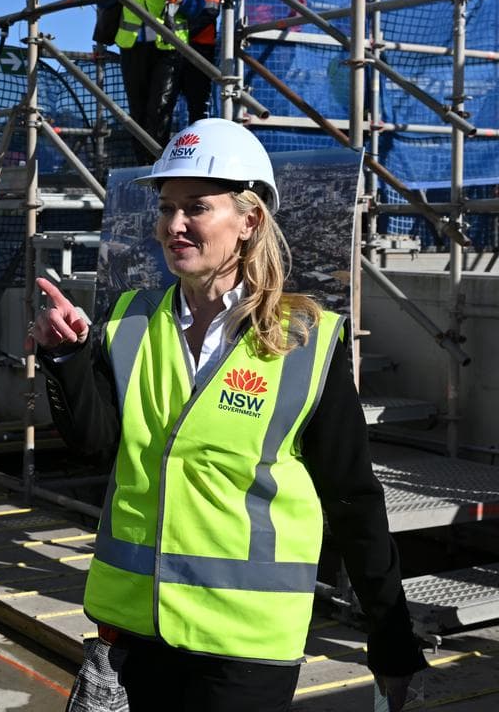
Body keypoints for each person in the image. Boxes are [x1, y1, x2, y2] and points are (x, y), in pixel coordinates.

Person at [32, 118, 427, 711]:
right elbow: (95, 449)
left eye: (197, 207)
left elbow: (352, 497)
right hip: (136, 630)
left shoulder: (305, 340)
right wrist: (65, 356)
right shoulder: (128, 321)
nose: (174, 225)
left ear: (249, 221)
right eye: (166, 208)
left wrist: (389, 635)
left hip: (245, 644)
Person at [112, 0, 190, 164]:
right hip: (132, 45)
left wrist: (182, 0)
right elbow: (105, 2)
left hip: (169, 46)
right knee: (137, 109)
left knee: (160, 108)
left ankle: (156, 164)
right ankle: (143, 165)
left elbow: (199, 4)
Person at [176, 0, 220, 124]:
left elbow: (209, 12)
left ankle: (196, 139)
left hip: (199, 50)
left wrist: (181, 34)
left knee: (197, 103)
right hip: (176, 48)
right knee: (168, 102)